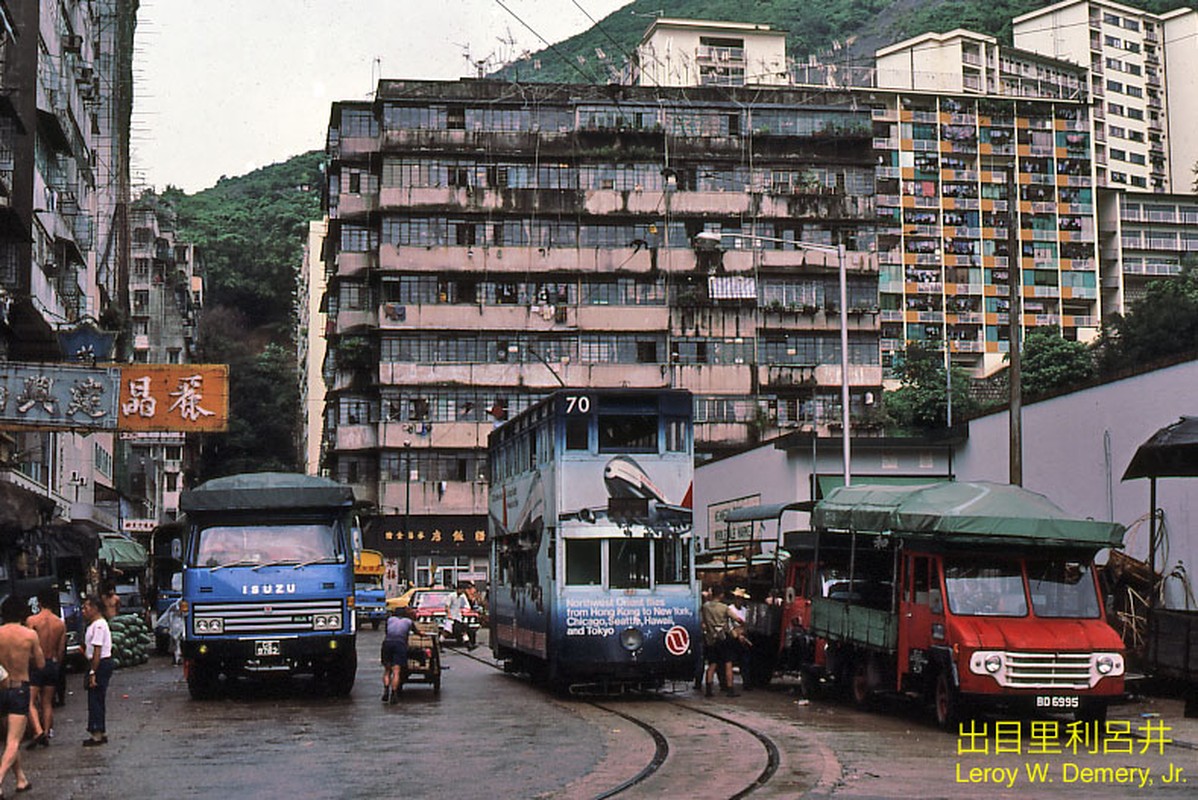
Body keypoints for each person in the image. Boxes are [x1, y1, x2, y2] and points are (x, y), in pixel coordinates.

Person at [0, 595, 44, 794]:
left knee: (9, 738)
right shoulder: (29, 635)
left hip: (1, 689)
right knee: (14, 740)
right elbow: (41, 663)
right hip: (19, 688)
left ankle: (21, 779)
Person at [25, 590, 65, 748]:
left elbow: (28, 644)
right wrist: (57, 665)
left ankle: (38, 730)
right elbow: (61, 650)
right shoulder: (60, 623)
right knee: (47, 702)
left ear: (39, 602)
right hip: (52, 663)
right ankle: (47, 732)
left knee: (29, 701)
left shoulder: (32, 620)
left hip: (36, 664)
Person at [82, 596, 114, 746]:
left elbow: (97, 650)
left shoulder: (99, 626)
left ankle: (96, 732)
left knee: (95, 698)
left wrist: (92, 672)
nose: (84, 611)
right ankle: (100, 730)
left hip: (100, 663)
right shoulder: (93, 625)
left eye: (86, 608)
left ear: (95, 608)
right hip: (96, 663)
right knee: (97, 698)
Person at [700, 586, 736, 698]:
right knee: (728, 664)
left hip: (711, 639)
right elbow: (736, 618)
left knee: (712, 665)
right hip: (723, 639)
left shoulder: (705, 607)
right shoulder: (724, 607)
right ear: (721, 595)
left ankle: (709, 690)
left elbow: (702, 620)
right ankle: (730, 690)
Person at [381, 607, 416, 705]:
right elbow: (417, 632)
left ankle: (386, 691)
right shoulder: (408, 621)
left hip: (387, 643)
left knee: (387, 670)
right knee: (396, 671)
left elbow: (387, 632)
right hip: (400, 644)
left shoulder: (389, 620)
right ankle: (394, 694)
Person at [726, 587, 753, 691]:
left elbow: (746, 624)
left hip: (743, 637)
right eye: (738, 598)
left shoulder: (745, 610)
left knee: (745, 661)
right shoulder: (730, 609)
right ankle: (729, 684)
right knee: (730, 661)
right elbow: (729, 624)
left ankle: (746, 683)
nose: (739, 600)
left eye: (741, 598)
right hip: (733, 638)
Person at [446, 583, 476, 650]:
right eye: (461, 590)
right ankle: (440, 644)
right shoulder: (451, 595)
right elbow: (447, 606)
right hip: (450, 617)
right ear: (458, 589)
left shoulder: (462, 596)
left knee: (462, 630)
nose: (462, 591)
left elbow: (466, 606)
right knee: (446, 632)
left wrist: (465, 610)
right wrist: (449, 614)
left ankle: (469, 645)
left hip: (458, 617)